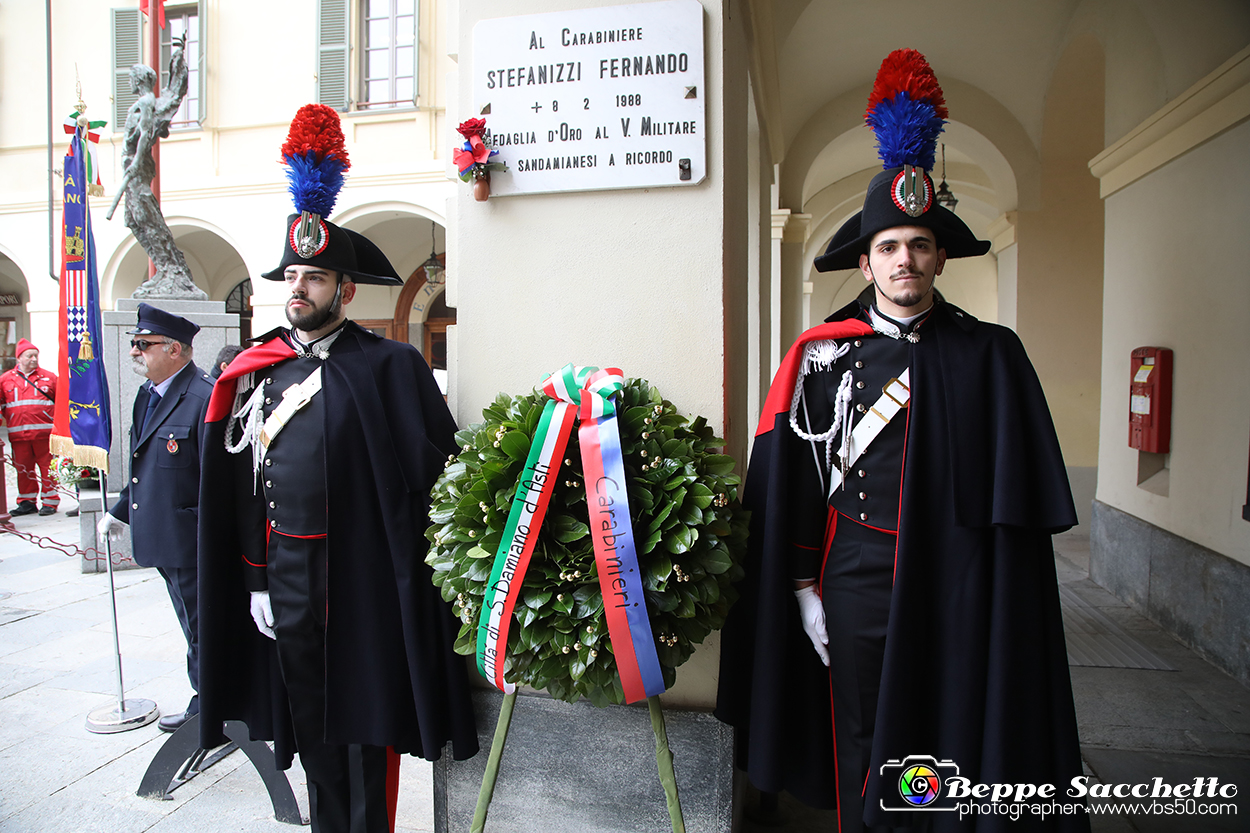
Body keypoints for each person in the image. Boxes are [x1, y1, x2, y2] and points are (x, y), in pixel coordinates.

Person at [715, 51, 1087, 832]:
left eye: (918, 244)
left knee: (947, 734)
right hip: (855, 577)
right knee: (862, 733)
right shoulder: (819, 355)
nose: (904, 259)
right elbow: (792, 486)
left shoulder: (991, 356)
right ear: (866, 260)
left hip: (960, 577)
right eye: (888, 247)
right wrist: (802, 588)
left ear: (940, 256)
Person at [197, 107, 477, 833]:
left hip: (364, 580)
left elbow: (435, 478)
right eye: (292, 275)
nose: (300, 288)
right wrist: (256, 577)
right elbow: (243, 488)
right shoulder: (256, 369)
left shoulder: (391, 368)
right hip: (287, 577)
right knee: (311, 724)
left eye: (315, 277)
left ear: (345, 290)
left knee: (363, 729)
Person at [97, 304, 213, 733]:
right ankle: (211, 702)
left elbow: (215, 479)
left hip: (192, 538)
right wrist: (120, 510)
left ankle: (210, 709)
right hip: (164, 535)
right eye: (134, 344)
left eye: (143, 345)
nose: (134, 352)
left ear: (176, 349)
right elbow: (143, 463)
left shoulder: (203, 395)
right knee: (190, 624)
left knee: (203, 629)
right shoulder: (150, 395)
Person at [0, 338, 59, 515]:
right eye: (29, 356)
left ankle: (50, 501)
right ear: (19, 358)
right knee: (22, 469)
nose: (33, 359)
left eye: (35, 356)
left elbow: (62, 402)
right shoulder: (5, 380)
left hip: (45, 434)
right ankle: (27, 502)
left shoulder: (50, 377)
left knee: (48, 468)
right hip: (19, 435)